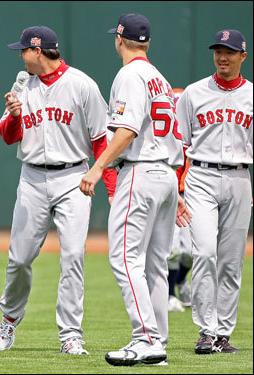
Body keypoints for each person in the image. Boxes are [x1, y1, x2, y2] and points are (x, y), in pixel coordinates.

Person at [0, 25, 117, 355]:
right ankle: (10, 315)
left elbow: (101, 140)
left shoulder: (81, 85)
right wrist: (15, 116)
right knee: (20, 258)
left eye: (23, 50)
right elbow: (8, 136)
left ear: (37, 51)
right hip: (32, 178)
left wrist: (111, 186)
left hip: (73, 178)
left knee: (73, 256)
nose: (20, 56)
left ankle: (71, 335)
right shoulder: (22, 85)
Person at [79, 14, 189, 366]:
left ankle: (146, 338)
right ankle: (158, 341)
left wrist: (97, 168)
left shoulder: (129, 75)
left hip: (140, 172)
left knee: (124, 259)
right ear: (148, 43)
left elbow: (126, 131)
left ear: (119, 40)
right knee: (155, 263)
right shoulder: (159, 77)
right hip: (166, 175)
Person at [176, 29, 252, 355]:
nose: (223, 57)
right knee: (205, 253)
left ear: (242, 56)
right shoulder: (193, 93)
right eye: (218, 50)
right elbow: (178, 144)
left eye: (230, 51)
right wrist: (176, 186)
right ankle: (206, 331)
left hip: (239, 177)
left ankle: (223, 334)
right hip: (201, 177)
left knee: (231, 263)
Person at [168, 89, 192, 313]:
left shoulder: (195, 131)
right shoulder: (165, 134)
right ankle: (169, 294)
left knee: (193, 251)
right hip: (172, 194)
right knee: (173, 249)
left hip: (193, 193)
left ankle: (182, 281)